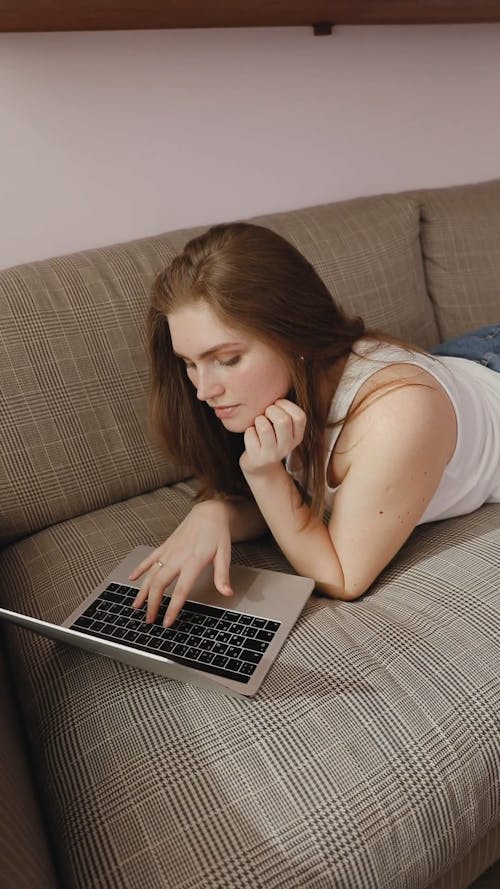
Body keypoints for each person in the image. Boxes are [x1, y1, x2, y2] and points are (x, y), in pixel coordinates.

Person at [129, 222, 500, 627]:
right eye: (189, 363)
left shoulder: (396, 417)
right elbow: (300, 501)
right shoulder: (272, 391)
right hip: (462, 361)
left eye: (228, 359)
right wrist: (215, 513)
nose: (203, 390)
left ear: (293, 333)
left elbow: (342, 577)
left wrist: (265, 473)